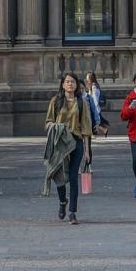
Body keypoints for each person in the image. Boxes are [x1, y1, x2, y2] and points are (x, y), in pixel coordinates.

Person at [43, 72, 92, 224]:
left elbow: (86, 127)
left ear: (77, 85)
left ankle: (72, 212)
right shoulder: (56, 101)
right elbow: (48, 122)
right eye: (67, 81)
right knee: (60, 177)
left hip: (76, 143)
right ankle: (63, 201)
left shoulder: (81, 102)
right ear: (63, 84)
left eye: (73, 81)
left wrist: (86, 149)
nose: (70, 84)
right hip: (60, 143)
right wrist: (57, 127)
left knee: (72, 177)